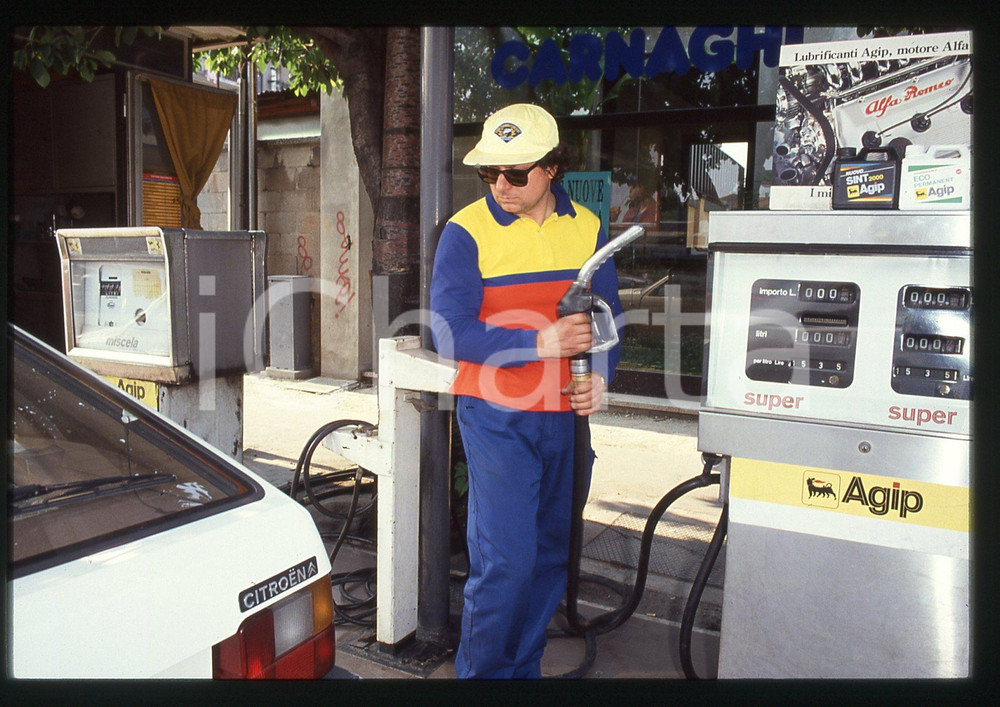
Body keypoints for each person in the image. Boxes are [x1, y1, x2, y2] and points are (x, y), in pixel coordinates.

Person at [430, 103, 623, 679]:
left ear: (552, 169)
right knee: (506, 563)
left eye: (515, 174)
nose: (501, 186)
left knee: (550, 558)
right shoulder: (465, 231)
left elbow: (604, 316)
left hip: (564, 415)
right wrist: (543, 343)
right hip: (496, 414)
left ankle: (523, 670)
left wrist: (603, 376)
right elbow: (447, 331)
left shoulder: (587, 227)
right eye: (490, 173)